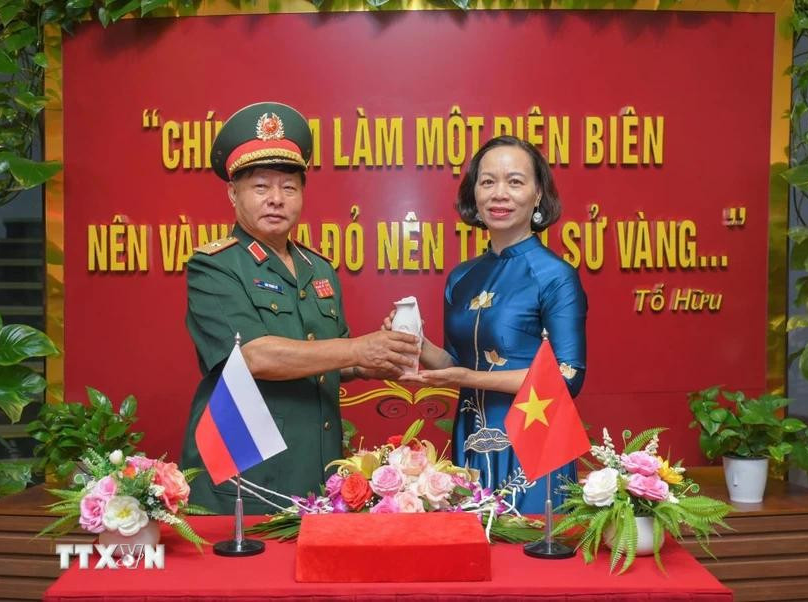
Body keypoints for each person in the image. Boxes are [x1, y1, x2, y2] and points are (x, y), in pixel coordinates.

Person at [180, 102, 419, 514]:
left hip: (317, 471)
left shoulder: (318, 267)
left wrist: (376, 359)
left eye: (288, 188)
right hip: (249, 474)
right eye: (260, 187)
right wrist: (359, 350)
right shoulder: (214, 265)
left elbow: (332, 354)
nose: (276, 199)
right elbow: (253, 356)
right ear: (232, 193)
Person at [400, 135, 587, 513]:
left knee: (530, 557)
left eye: (515, 181)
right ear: (474, 195)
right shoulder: (461, 278)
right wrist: (416, 344)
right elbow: (457, 365)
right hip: (471, 437)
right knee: (471, 555)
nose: (499, 193)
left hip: (536, 440)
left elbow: (567, 377)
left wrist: (466, 379)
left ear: (538, 196)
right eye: (487, 182)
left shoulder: (555, 275)